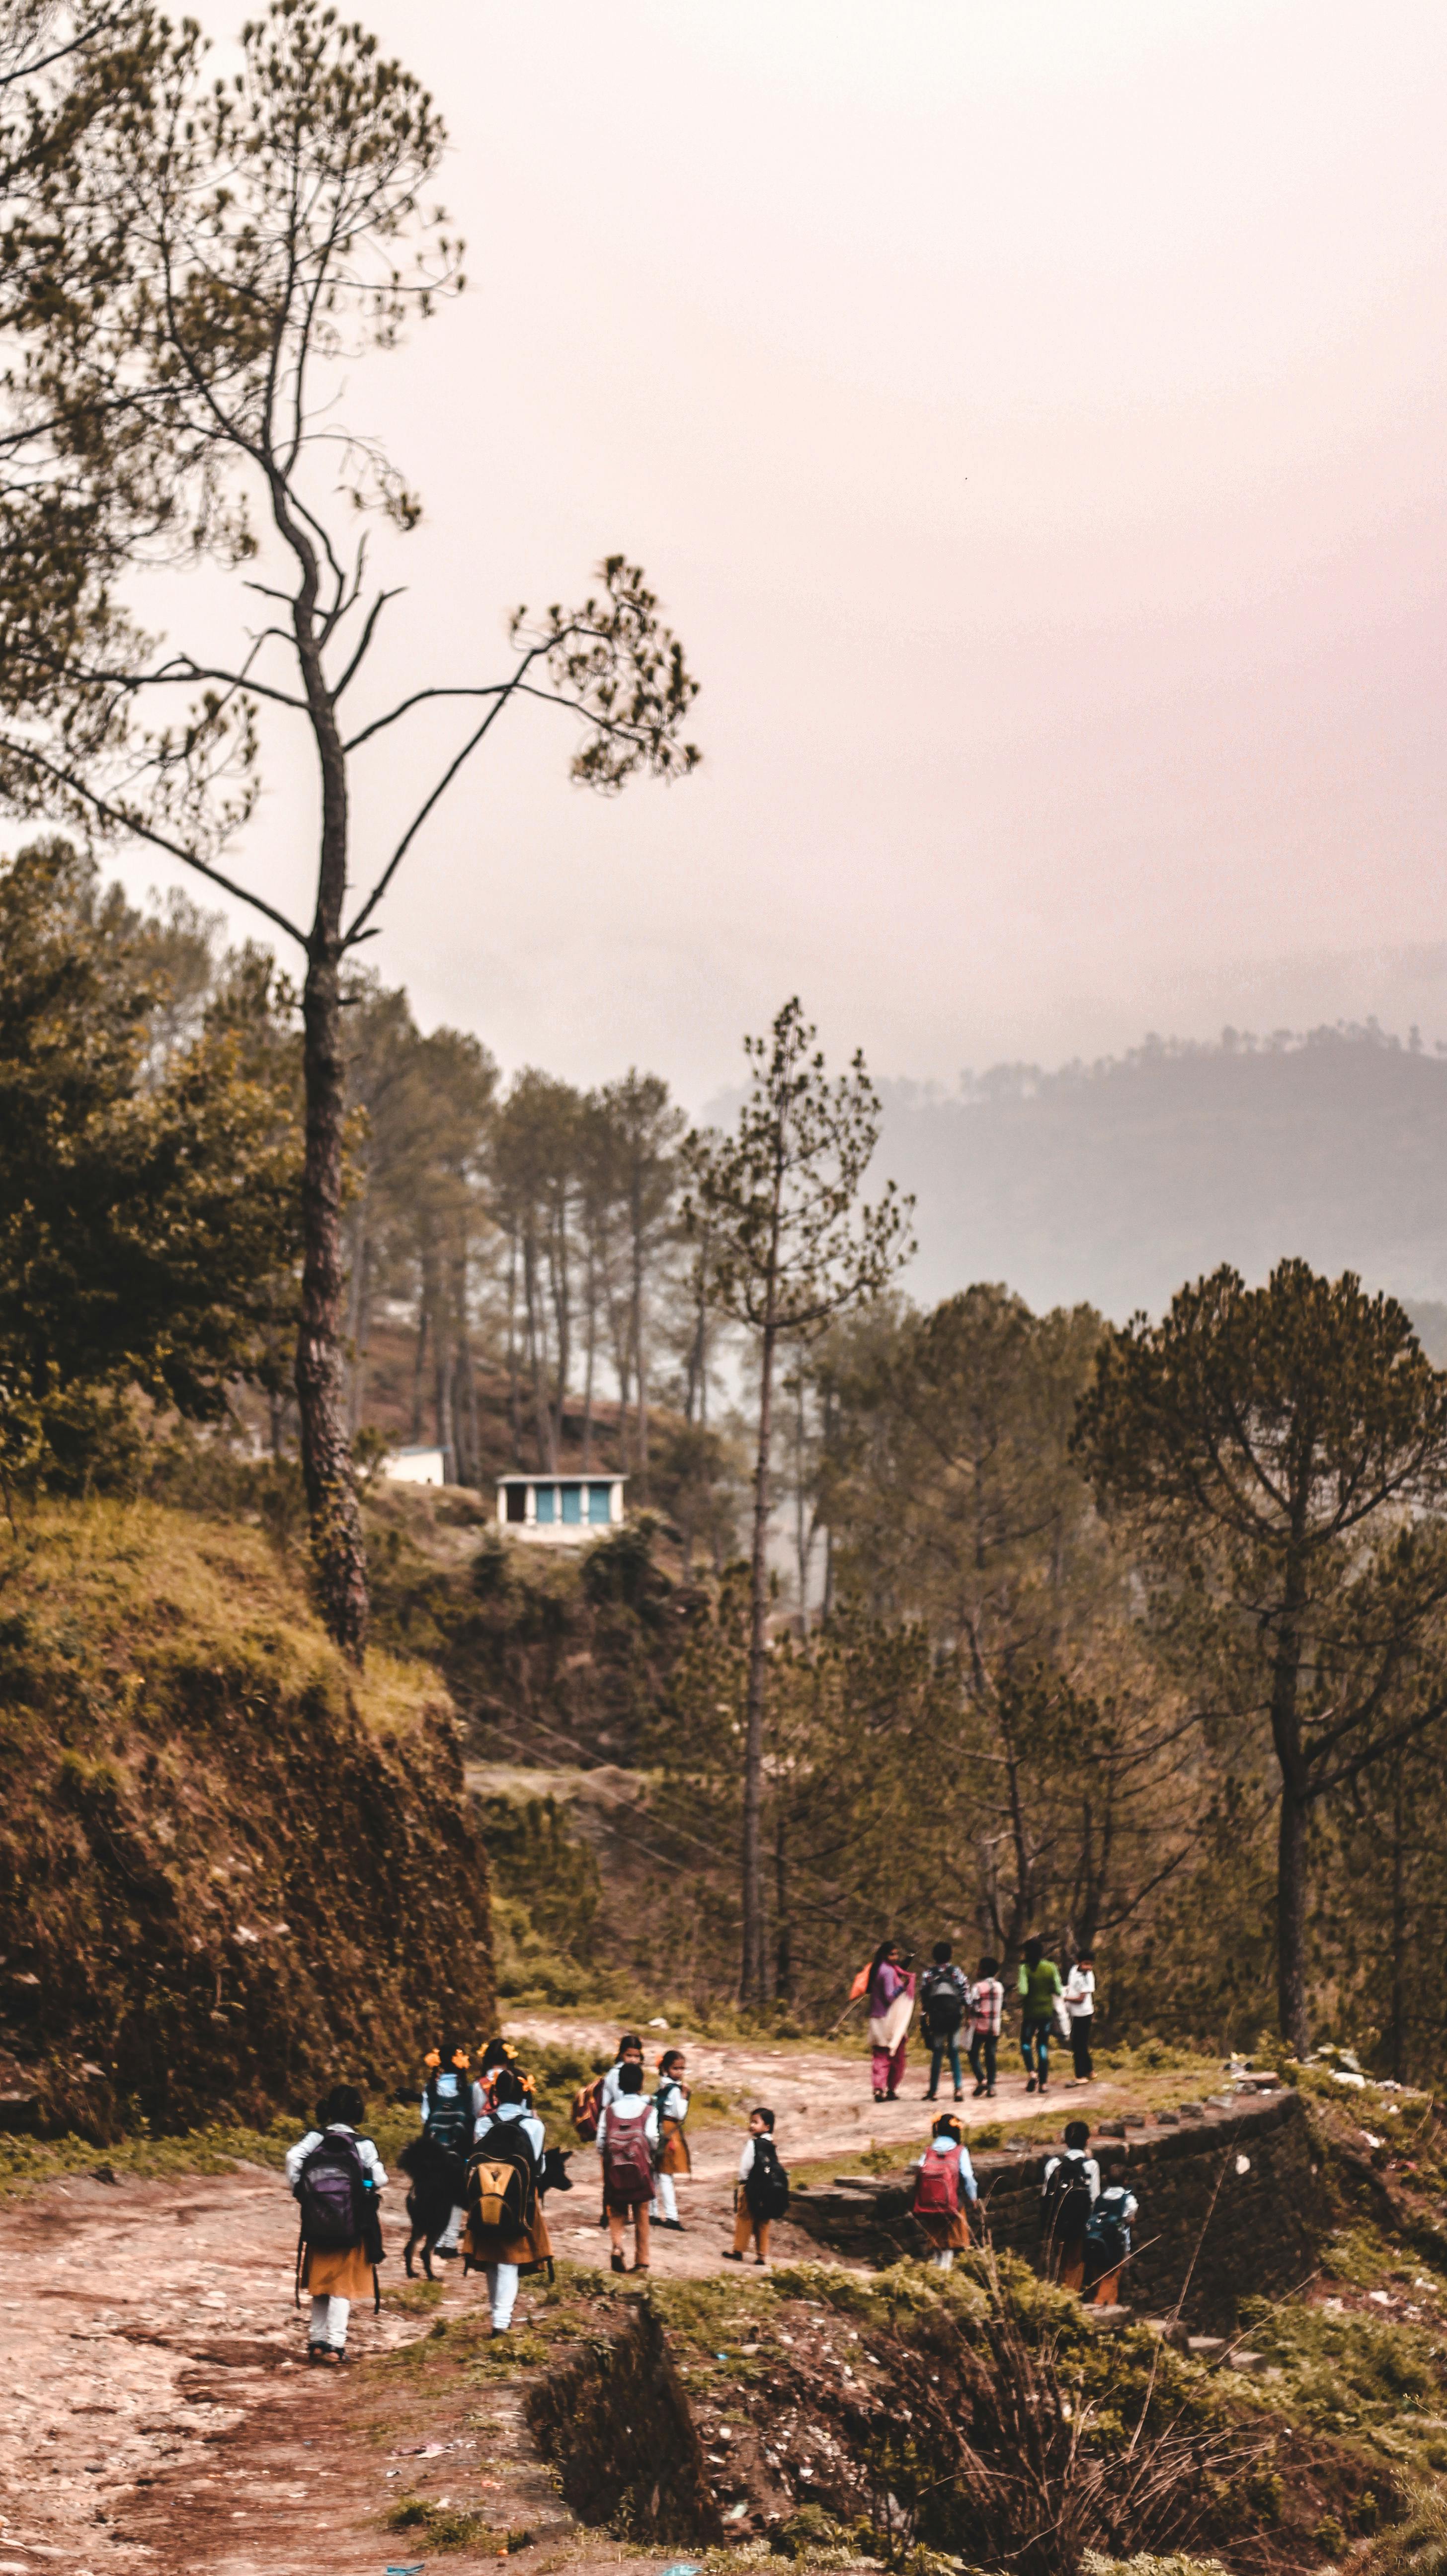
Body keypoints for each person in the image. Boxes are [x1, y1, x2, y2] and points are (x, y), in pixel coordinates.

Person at [286, 2083, 387, 2365]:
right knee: (342, 2287)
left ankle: (316, 2342)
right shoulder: (364, 2144)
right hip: (351, 2224)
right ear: (358, 2112)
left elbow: (293, 2157)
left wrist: (301, 2190)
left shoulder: (315, 2138)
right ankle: (336, 2345)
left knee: (320, 2285)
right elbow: (380, 2179)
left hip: (318, 2221)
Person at [464, 2065, 551, 2335]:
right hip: (520, 2203)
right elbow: (540, 2168)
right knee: (510, 2260)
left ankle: (497, 2315)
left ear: (496, 2094)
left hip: (485, 2199)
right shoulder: (534, 2126)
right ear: (525, 2093)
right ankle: (502, 2322)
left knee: (492, 2258)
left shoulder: (483, 2123)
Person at [596, 2059, 658, 2274]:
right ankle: (642, 2261)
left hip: (616, 2169)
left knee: (617, 2210)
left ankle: (617, 2246)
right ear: (641, 2085)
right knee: (642, 2212)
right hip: (640, 2169)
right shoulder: (648, 2110)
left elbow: (601, 2140)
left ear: (620, 2085)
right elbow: (651, 2136)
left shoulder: (610, 2111)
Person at [419, 2038, 473, 2260]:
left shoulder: (430, 2088)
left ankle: (437, 2239)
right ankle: (449, 2243)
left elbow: (425, 2117)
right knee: (456, 2194)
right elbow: (473, 2117)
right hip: (459, 2150)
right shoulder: (467, 2089)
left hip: (434, 2150)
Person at [910, 2111, 978, 2271]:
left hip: (930, 2203)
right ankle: (945, 2272)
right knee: (951, 2241)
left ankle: (935, 2268)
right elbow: (968, 2176)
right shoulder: (960, 2151)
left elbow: (919, 2170)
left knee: (936, 2239)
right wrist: (973, 2197)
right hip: (953, 2204)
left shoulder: (929, 2152)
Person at [1041, 2118, 1099, 2293]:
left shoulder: (1053, 2164)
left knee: (1058, 2259)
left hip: (1057, 2221)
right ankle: (1071, 2297)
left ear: (1065, 2140)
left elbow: (1046, 2193)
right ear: (1087, 2141)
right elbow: (1094, 2197)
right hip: (1079, 2222)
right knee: (1075, 2261)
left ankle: (1058, 2294)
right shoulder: (1091, 2165)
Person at [724, 2105, 787, 2265]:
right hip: (768, 2190)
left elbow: (746, 2165)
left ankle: (739, 2250)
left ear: (767, 2127)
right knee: (763, 2221)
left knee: (745, 2217)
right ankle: (762, 2255)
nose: (752, 2125)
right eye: (751, 2122)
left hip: (752, 2187)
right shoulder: (771, 2145)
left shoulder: (754, 2144)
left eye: (756, 2122)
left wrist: (742, 2180)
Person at [920, 1941, 971, 2102]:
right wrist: (968, 2015)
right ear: (950, 1955)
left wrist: (927, 2015)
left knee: (937, 2053)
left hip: (937, 2018)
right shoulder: (956, 1972)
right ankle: (958, 2090)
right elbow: (966, 1994)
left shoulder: (928, 1975)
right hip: (955, 2016)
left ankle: (934, 2091)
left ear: (934, 1956)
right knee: (954, 2052)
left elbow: (924, 1998)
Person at [867, 1940, 915, 2102]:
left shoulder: (878, 1970)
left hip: (877, 2020)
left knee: (880, 2056)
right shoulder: (888, 1972)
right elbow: (889, 1996)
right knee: (896, 2057)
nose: (896, 1957)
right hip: (890, 2020)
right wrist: (903, 1987)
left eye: (896, 1954)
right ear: (884, 1955)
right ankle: (891, 2089)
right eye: (892, 1954)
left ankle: (879, 2088)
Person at [649, 2048, 691, 2232]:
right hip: (669, 2130)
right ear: (666, 2069)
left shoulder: (662, 2086)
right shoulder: (675, 2090)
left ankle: (652, 2213)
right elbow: (680, 2114)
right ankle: (672, 2216)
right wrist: (684, 2098)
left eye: (682, 2069)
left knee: (656, 2174)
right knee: (667, 2174)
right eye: (676, 2069)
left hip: (658, 2130)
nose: (680, 2073)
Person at [1083, 2173, 1139, 2308]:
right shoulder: (1129, 2200)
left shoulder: (1100, 2198)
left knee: (1097, 2276)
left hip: (1095, 2243)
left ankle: (1107, 2305)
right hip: (1115, 2245)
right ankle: (1100, 2306)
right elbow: (1130, 2217)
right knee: (1111, 2278)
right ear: (1125, 2181)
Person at [1018, 1934, 1063, 2094]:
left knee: (1025, 2043)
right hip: (1046, 2013)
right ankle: (1044, 2084)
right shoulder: (1051, 1967)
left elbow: (1023, 1990)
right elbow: (1058, 1990)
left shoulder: (1024, 1968)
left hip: (1030, 2013)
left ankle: (1032, 2072)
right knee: (1043, 2046)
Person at [969, 1955, 1004, 2098]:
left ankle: (981, 2079)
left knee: (973, 2054)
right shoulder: (999, 1987)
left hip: (980, 2027)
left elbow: (975, 2008)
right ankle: (991, 2087)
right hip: (994, 2027)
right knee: (990, 2055)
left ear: (984, 1971)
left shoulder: (977, 1987)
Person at [1064, 1954, 1096, 2082]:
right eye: (1086, 1964)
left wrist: (1065, 1998)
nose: (1088, 1967)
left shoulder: (1087, 1977)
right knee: (1081, 2044)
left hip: (1084, 2014)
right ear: (1078, 1962)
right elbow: (1072, 1987)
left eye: (1091, 1964)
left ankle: (1080, 2075)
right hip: (1075, 2013)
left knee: (1078, 2045)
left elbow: (1081, 1999)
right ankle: (1090, 2071)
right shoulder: (1074, 1970)